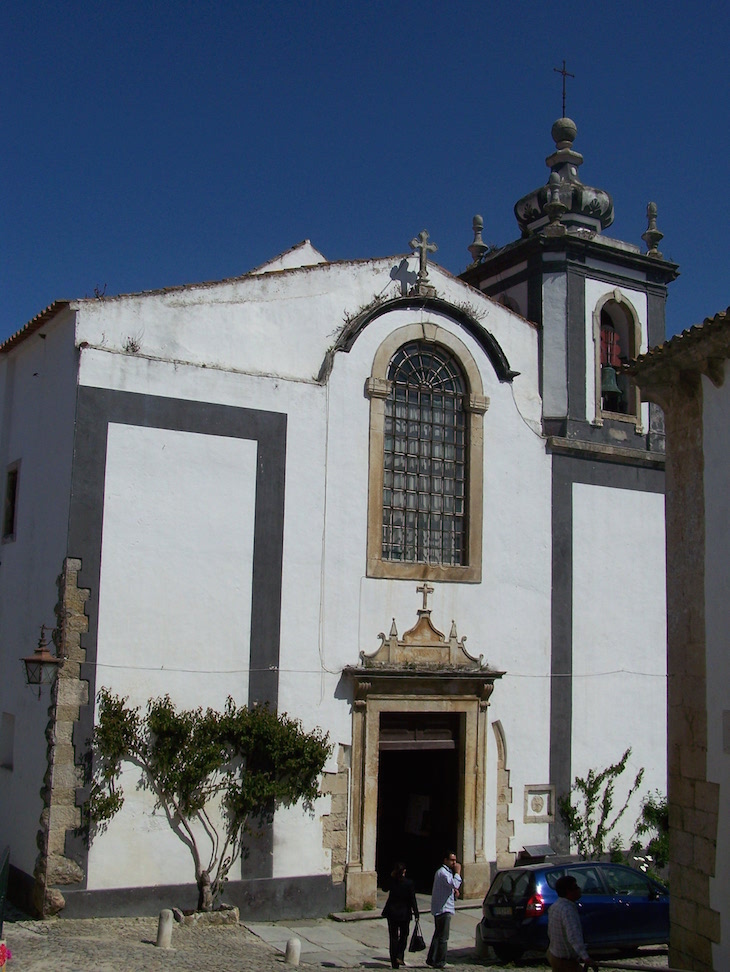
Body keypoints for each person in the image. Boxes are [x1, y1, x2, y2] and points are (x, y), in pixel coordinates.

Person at [546, 874, 596, 971]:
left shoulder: (555, 906)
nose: (579, 889)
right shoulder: (567, 910)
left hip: (554, 955)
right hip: (565, 961)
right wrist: (586, 957)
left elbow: (550, 932)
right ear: (568, 891)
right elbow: (573, 936)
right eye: (576, 887)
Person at [426, 851, 462, 969]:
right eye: (452, 860)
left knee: (438, 935)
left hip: (443, 907)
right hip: (443, 909)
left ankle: (431, 958)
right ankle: (440, 961)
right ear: (445, 860)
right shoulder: (443, 873)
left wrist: (453, 892)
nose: (454, 863)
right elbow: (454, 883)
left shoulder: (445, 872)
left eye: (455, 860)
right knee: (443, 937)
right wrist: (458, 873)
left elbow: (449, 887)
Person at [382, 862, 419, 969]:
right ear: (404, 871)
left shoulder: (392, 882)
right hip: (404, 914)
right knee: (404, 935)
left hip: (392, 913)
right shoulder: (409, 883)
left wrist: (390, 876)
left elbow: (384, 888)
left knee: (393, 937)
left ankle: (394, 962)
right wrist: (416, 913)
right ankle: (399, 955)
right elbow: (413, 899)